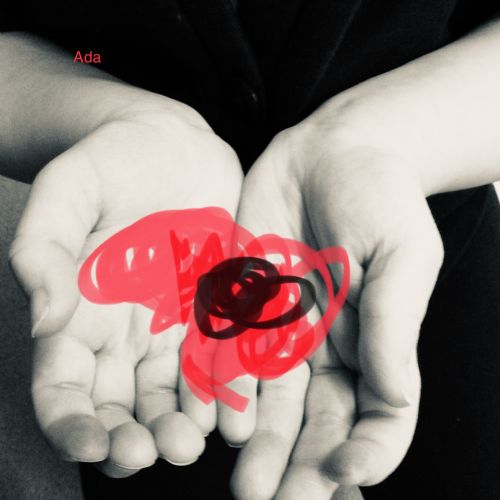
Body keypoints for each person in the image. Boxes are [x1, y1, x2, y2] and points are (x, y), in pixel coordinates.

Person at [1, 1, 499, 499]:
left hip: (416, 232)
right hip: (148, 342)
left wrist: (385, 141)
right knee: (158, 450)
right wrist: (107, 116)